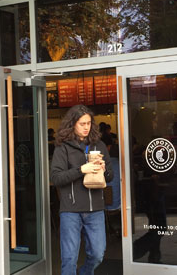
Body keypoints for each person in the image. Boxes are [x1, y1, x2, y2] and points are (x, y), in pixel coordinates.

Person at [50, 105, 113, 275]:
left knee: (98, 254)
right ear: (72, 124)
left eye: (88, 123)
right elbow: (56, 178)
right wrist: (81, 170)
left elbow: (110, 177)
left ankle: (84, 272)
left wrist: (103, 168)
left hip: (95, 210)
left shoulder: (98, 145)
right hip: (71, 210)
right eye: (82, 124)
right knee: (69, 258)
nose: (86, 127)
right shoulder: (62, 147)